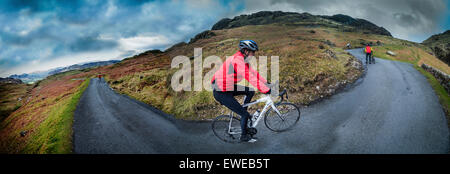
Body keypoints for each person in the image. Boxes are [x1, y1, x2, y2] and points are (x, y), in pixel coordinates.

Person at [211, 40, 271, 142]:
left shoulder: (243, 59)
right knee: (244, 115)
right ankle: (244, 136)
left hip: (227, 86)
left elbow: (253, 73)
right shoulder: (237, 60)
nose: (254, 54)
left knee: (250, 91)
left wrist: (266, 83)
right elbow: (249, 77)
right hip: (220, 91)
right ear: (246, 51)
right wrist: (265, 90)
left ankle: (244, 114)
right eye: (253, 51)